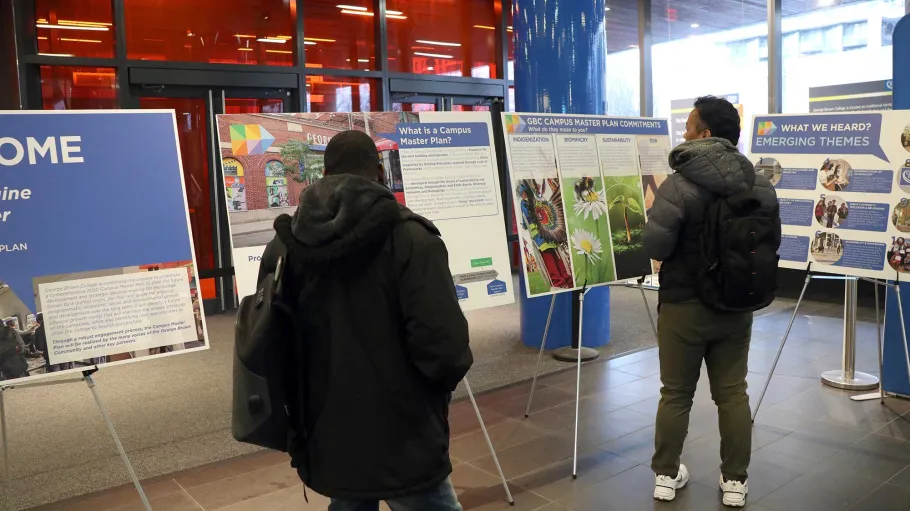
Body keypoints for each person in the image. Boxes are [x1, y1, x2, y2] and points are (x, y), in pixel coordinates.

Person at [257, 130, 472, 511]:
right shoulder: (412, 239)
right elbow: (444, 346)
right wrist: (433, 397)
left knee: (350, 497)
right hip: (403, 431)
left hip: (326, 426)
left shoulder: (287, 245)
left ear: (324, 174)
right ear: (378, 172)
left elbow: (274, 340)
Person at [643, 96, 780, 508]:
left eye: (688, 126)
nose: (683, 132)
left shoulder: (679, 184)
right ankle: (735, 482)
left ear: (705, 135)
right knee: (733, 393)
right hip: (737, 305)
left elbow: (656, 244)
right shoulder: (759, 183)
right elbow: (770, 242)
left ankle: (666, 476)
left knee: (676, 393)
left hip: (684, 305)